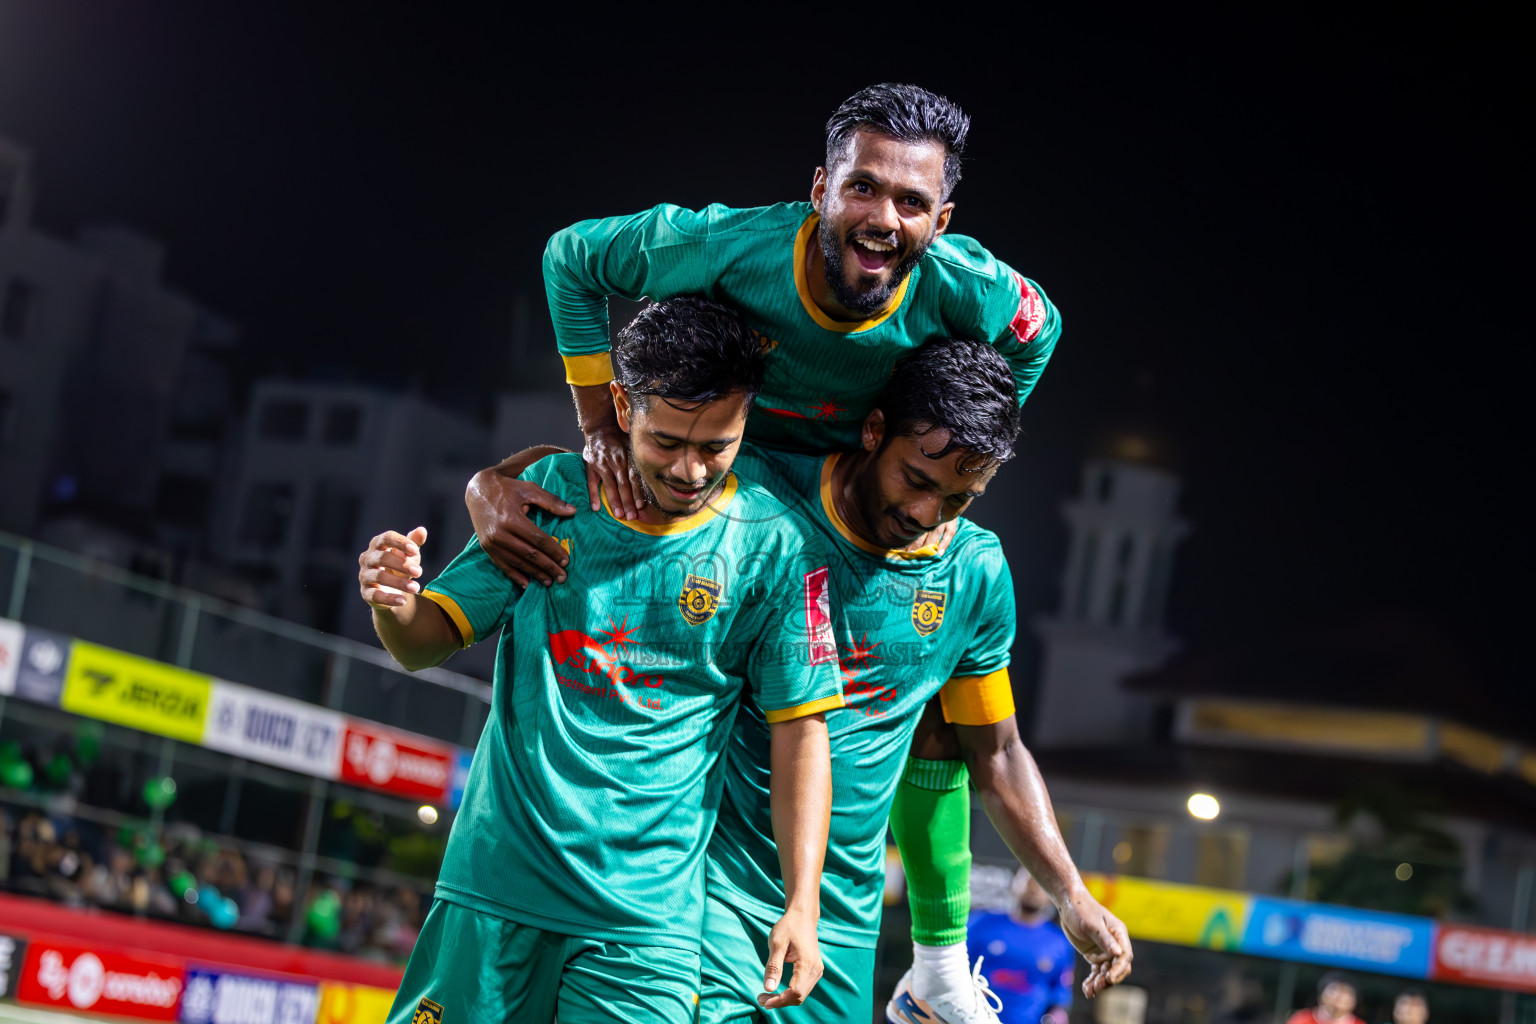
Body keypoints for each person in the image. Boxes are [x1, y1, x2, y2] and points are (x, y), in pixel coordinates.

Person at [467, 83, 1113, 1018]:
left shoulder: (975, 311)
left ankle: (936, 966)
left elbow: (1035, 339)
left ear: (943, 222)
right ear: (820, 188)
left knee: (944, 703)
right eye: (863, 187)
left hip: (861, 517)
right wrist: (584, 432)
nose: (884, 218)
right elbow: (571, 259)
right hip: (745, 503)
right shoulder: (723, 248)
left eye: (913, 202)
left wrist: (952, 458)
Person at [490, 339, 1131, 1024]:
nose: (926, 513)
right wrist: (492, 484)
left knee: (941, 729)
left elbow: (995, 752)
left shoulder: (975, 571)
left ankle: (935, 974)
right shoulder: (764, 490)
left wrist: (1070, 893)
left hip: (841, 921)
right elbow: (620, 465)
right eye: (916, 479)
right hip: (707, 886)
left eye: (958, 499)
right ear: (875, 430)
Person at [361, 298, 844, 1024]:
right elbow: (420, 642)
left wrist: (803, 904)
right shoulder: (553, 493)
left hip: (646, 927)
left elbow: (802, 730)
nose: (689, 469)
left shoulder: (778, 548)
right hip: (497, 886)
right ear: (621, 407)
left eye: (716, 447)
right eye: (666, 441)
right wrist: (393, 599)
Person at [963, 870, 1074, 1024]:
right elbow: (953, 966)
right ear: (1013, 883)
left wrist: (1055, 1017)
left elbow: (1059, 996)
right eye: (1028, 881)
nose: (1034, 888)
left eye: (1041, 884)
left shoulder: (1059, 942)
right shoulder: (981, 924)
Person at [1287, 973, 1363, 1024]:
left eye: (1346, 992)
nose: (1339, 996)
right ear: (1321, 995)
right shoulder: (1302, 1019)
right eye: (1334, 990)